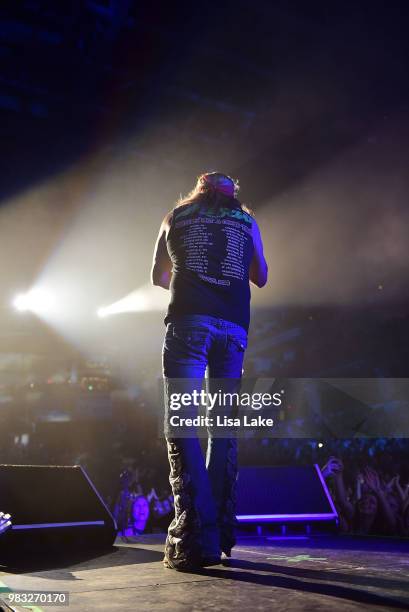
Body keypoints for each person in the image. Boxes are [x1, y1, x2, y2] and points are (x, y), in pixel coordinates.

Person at [151, 172, 268, 570]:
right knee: (223, 426)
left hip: (188, 324)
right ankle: (217, 530)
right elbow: (262, 276)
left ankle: (191, 533)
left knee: (181, 421)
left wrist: (187, 275)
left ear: (197, 190)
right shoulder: (246, 222)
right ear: (232, 194)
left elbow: (157, 275)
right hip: (233, 327)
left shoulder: (175, 216)